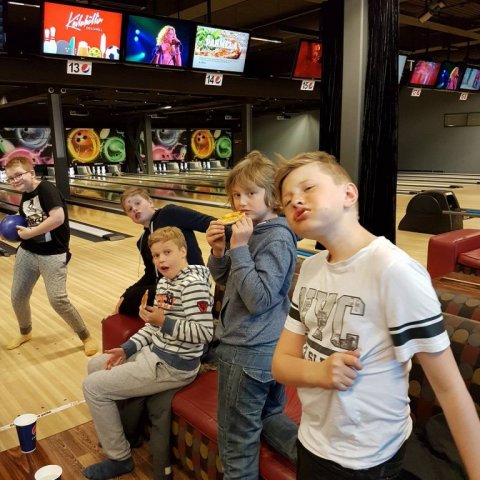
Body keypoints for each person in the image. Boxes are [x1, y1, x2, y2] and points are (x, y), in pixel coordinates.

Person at [272, 151, 480, 480]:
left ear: (348, 194)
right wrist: (321, 373)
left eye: (308, 187)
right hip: (312, 443)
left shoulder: (394, 271)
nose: (295, 200)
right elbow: (281, 364)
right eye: (287, 200)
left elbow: (450, 389)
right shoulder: (310, 269)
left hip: (369, 460)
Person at [83, 226, 214, 480]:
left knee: (92, 387)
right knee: (95, 366)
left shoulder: (193, 286)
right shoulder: (164, 282)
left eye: (167, 252)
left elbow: (204, 333)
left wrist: (163, 321)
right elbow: (153, 328)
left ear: (183, 251)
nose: (161, 259)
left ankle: (120, 458)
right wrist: (127, 349)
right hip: (155, 354)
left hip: (173, 366)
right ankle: (121, 432)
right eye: (156, 255)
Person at [206, 151, 298, 479]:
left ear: (272, 196)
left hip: (248, 352)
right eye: (236, 195)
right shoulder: (250, 231)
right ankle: (324, 465)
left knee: (235, 443)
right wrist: (219, 250)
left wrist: (240, 247)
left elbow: (258, 300)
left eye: (251, 193)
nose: (241, 202)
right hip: (264, 348)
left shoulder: (276, 237)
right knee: (270, 417)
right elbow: (225, 280)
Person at [3, 156, 97, 356]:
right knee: (18, 296)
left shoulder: (46, 189)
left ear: (31, 173)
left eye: (18, 175)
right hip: (28, 252)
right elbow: (29, 221)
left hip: (53, 254)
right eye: (10, 178)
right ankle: (25, 332)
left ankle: (86, 336)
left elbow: (58, 218)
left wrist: (31, 232)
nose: (15, 180)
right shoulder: (26, 195)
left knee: (58, 300)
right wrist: (12, 232)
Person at [115, 186, 214, 316]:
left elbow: (208, 222)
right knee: (129, 298)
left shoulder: (169, 213)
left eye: (138, 203)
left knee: (131, 300)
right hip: (168, 288)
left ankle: (180, 310)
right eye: (129, 209)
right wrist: (126, 294)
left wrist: (236, 236)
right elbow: (151, 274)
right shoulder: (142, 241)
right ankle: (172, 312)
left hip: (193, 284)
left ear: (150, 202)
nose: (134, 209)